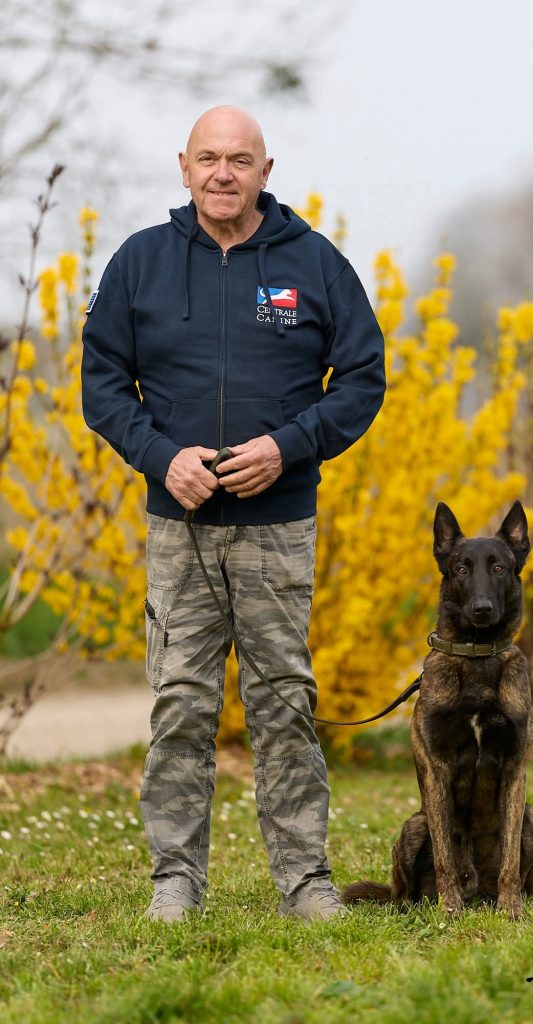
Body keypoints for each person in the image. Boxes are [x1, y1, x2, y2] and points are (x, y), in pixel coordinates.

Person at [81, 105, 385, 923]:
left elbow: (362, 378)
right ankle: (175, 881)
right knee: (180, 705)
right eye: (209, 158)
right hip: (179, 529)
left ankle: (306, 882)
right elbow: (102, 384)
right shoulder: (140, 262)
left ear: (265, 171)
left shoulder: (314, 264)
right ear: (184, 167)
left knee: (284, 703)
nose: (223, 173)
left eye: (240, 160)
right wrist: (159, 456)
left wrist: (290, 447)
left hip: (277, 529)